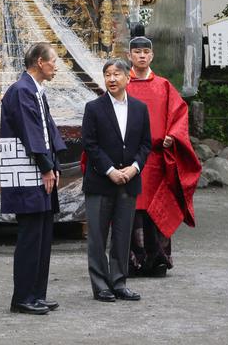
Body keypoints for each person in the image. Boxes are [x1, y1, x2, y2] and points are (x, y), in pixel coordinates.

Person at [127, 26, 201, 277]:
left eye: (146, 52)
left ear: (152, 56)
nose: (142, 56)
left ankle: (159, 259)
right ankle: (133, 261)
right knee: (132, 211)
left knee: (156, 208)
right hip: (130, 159)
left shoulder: (164, 86)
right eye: (137, 52)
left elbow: (180, 114)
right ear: (129, 56)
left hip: (157, 159)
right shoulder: (121, 85)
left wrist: (173, 135)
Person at [0, 42, 67, 316]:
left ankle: (38, 293)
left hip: (40, 169)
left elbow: (48, 130)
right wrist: (46, 166)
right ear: (40, 61)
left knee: (43, 234)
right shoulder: (21, 91)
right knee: (30, 235)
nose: (56, 66)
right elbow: (31, 133)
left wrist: (55, 163)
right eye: (53, 61)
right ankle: (23, 297)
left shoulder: (36, 91)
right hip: (28, 171)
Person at [81, 57, 151, 303]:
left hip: (129, 181)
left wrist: (134, 168)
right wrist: (110, 170)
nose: (111, 79)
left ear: (127, 77)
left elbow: (145, 144)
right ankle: (101, 285)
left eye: (116, 74)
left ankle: (119, 282)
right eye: (107, 74)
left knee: (122, 235)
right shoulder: (94, 108)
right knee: (98, 237)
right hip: (101, 181)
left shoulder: (140, 109)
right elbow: (89, 144)